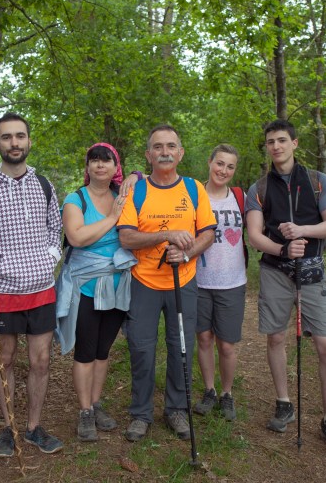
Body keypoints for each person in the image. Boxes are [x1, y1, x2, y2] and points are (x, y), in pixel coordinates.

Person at [0, 112, 64, 457]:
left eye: (20, 136)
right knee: (5, 358)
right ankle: (10, 428)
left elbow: (55, 230)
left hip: (41, 288)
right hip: (2, 289)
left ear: (29, 141)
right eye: (7, 137)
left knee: (42, 361)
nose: (14, 143)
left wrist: (48, 259)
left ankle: (33, 428)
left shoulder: (44, 185)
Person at [245, 118, 326, 455]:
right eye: (270, 142)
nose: (275, 146)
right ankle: (283, 402)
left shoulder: (318, 182)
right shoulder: (259, 188)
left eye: (281, 140)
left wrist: (302, 231)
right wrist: (281, 248)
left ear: (294, 143)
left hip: (312, 271)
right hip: (276, 270)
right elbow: (254, 236)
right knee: (276, 337)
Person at [117, 125, 216, 442]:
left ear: (180, 152)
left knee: (181, 348)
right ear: (148, 155)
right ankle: (140, 413)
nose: (164, 152)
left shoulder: (194, 188)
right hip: (143, 282)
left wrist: (186, 256)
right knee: (142, 349)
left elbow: (208, 234)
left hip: (183, 282)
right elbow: (127, 237)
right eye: (157, 147)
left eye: (171, 146)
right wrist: (166, 235)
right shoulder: (137, 191)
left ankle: (176, 409)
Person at [54, 143, 139, 442]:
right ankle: (84, 411)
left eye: (107, 160)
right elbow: (76, 237)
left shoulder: (122, 197)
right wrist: (112, 220)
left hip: (117, 286)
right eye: (94, 160)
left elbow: (146, 181)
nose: (100, 165)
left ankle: (96, 402)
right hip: (86, 286)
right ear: (87, 167)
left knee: (104, 351)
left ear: (116, 167)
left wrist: (136, 174)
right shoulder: (75, 199)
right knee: (86, 352)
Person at [192, 144, 247, 422]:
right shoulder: (193, 195)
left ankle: (227, 393)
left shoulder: (240, 197)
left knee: (226, 344)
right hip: (199, 281)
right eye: (219, 163)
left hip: (232, 282)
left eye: (230, 166)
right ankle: (209, 390)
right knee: (203, 338)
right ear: (209, 162)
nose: (223, 170)